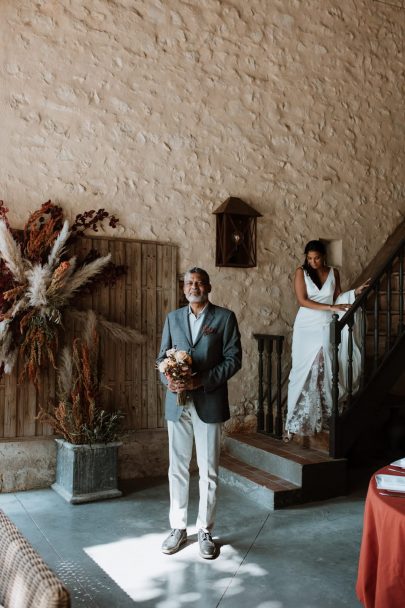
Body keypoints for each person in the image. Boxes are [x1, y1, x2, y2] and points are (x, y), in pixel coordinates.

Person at [157, 267, 242, 559]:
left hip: (209, 400)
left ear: (208, 287)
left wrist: (200, 380)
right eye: (189, 283)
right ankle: (178, 528)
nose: (194, 287)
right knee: (177, 468)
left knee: (208, 470)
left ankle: (205, 529)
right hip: (177, 403)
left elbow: (234, 360)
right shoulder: (173, 318)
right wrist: (167, 379)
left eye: (199, 282)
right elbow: (161, 358)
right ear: (183, 288)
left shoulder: (224, 318)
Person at [285, 240, 369, 439]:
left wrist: (353, 293)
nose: (313, 262)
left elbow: (338, 297)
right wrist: (330, 308)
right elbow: (302, 300)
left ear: (324, 257)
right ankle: (295, 422)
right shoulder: (301, 272)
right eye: (309, 258)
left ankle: (322, 417)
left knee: (326, 365)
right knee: (302, 370)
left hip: (326, 324)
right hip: (306, 326)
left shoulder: (334, 272)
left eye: (317, 258)